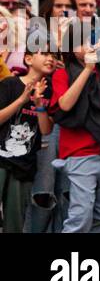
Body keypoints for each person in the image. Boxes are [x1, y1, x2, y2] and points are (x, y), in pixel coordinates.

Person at [50, 25, 100, 233]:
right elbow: (65, 104)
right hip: (80, 153)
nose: (86, 47)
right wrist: (86, 69)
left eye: (89, 41)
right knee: (80, 216)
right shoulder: (62, 72)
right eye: (80, 43)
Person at [0, 45, 55, 233]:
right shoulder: (10, 84)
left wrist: (39, 105)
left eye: (53, 55)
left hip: (24, 165)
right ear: (29, 59)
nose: (51, 58)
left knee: (14, 223)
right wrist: (22, 100)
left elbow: (46, 129)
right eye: (45, 54)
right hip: (1, 159)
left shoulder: (50, 92)